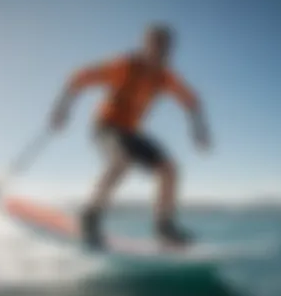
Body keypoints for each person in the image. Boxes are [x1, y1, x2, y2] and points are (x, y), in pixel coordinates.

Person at [50, 23, 211, 249]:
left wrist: (199, 131)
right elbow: (78, 79)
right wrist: (61, 110)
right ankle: (91, 215)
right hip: (106, 127)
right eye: (157, 45)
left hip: (132, 132)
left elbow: (192, 102)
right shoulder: (124, 65)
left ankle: (164, 227)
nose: (162, 52)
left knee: (169, 169)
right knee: (121, 163)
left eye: (166, 47)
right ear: (146, 45)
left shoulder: (165, 77)